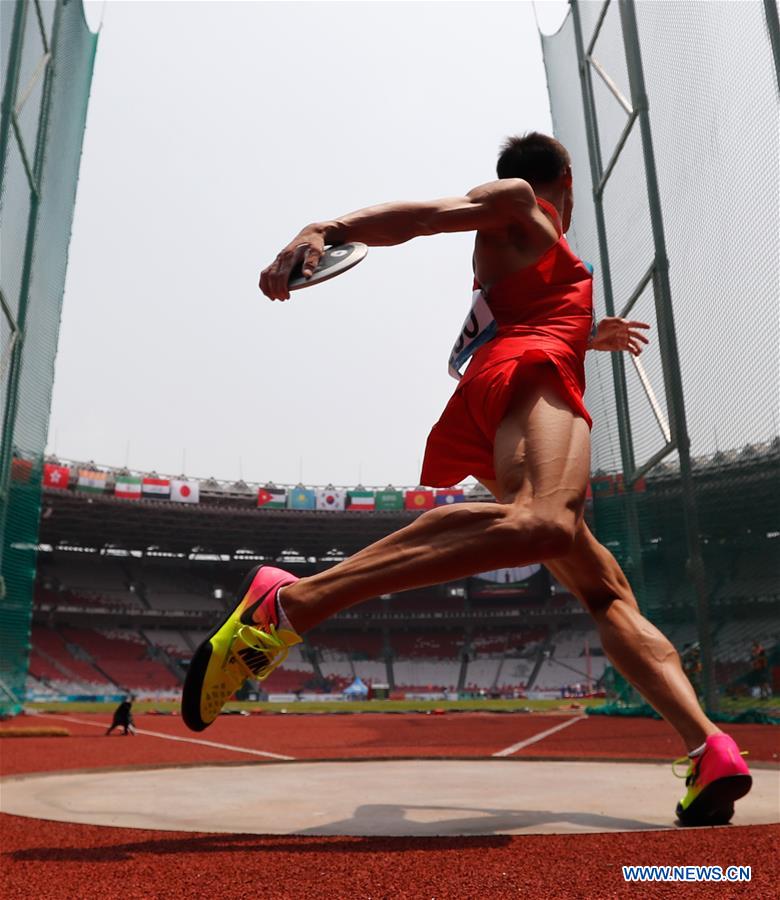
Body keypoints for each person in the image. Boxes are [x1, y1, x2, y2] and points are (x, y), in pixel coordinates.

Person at [182, 132, 751, 825]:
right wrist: (324, 228)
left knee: (606, 594)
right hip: (529, 377)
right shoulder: (516, 202)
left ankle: (708, 748)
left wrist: (583, 331)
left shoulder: (538, 252)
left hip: (525, 376)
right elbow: (422, 217)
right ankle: (291, 605)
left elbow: (515, 308)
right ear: (565, 180)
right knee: (547, 522)